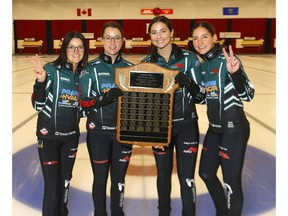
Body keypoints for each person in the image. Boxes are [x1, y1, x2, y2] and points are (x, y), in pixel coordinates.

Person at [141, 15, 205, 216]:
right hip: (159, 128)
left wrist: (190, 84)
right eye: (154, 32)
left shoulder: (190, 59)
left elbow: (202, 97)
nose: (158, 36)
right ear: (149, 36)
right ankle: (164, 212)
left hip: (187, 125)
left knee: (187, 177)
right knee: (163, 176)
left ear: (172, 33)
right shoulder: (146, 62)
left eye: (163, 31)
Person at [191, 21, 255, 216]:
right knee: (206, 173)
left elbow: (248, 95)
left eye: (204, 36)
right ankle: (223, 210)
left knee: (231, 181)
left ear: (214, 37)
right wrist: (191, 86)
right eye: (195, 38)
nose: (200, 41)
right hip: (215, 128)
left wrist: (236, 74)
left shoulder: (227, 60)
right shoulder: (203, 65)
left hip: (234, 129)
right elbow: (204, 98)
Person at [30, 31, 89, 216]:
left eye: (80, 47)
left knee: (65, 183)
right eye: (71, 47)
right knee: (52, 187)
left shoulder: (83, 76)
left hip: (70, 139)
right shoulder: (52, 70)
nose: (76, 51)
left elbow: (82, 110)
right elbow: (37, 105)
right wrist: (40, 81)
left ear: (84, 50)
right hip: (49, 138)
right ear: (65, 49)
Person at [78, 21, 134, 216]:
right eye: (108, 37)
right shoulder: (90, 69)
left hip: (123, 134)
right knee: (100, 179)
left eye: (117, 37)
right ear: (101, 40)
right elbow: (83, 102)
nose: (113, 42)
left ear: (123, 41)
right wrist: (106, 97)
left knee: (119, 180)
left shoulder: (131, 68)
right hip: (98, 134)